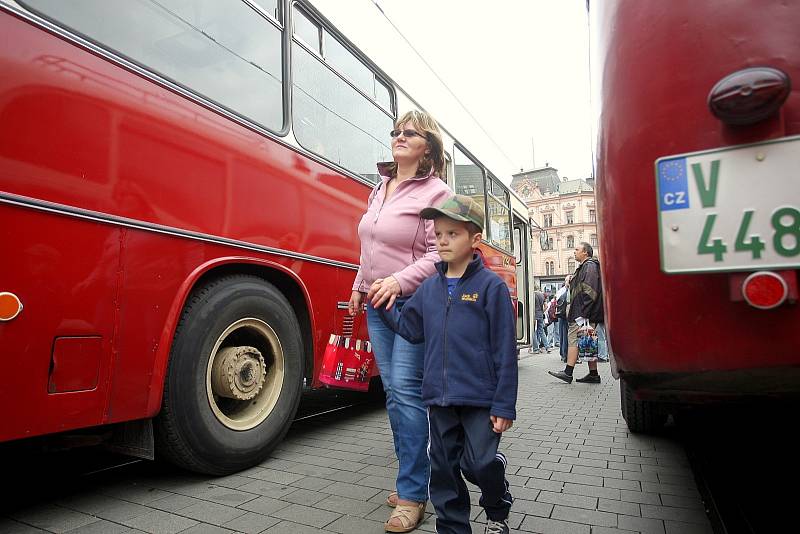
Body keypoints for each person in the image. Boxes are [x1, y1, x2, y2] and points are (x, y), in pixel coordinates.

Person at [374, 194, 517, 534]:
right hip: (439, 399)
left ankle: (496, 506)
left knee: (479, 463)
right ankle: (453, 528)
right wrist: (384, 304)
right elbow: (410, 329)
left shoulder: (491, 288)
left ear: (475, 239)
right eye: (438, 234)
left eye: (453, 234)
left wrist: (504, 404)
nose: (442, 241)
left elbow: (505, 351)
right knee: (443, 469)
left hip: (480, 399)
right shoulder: (429, 288)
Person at [348, 110, 452, 532]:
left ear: (427, 146)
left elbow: (439, 253)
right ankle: (414, 476)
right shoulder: (381, 186)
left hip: (412, 306)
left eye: (410, 132)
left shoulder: (437, 192)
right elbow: (369, 244)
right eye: (396, 131)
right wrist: (360, 283)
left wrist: (396, 279)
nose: (400, 136)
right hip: (378, 303)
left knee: (407, 394)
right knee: (393, 395)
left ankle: (412, 493)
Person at [549, 243, 604, 384]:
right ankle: (593, 374)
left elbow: (590, 291)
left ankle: (568, 372)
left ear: (585, 253)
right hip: (586, 312)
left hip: (582, 313)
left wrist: (583, 313)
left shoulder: (589, 266)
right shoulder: (588, 266)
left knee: (574, 339)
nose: (574, 252)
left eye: (577, 250)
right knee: (588, 341)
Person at [555, 275, 570, 363]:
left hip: (564, 316)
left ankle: (564, 354)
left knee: (564, 336)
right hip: (564, 316)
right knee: (564, 336)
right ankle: (564, 354)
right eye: (568, 281)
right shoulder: (563, 291)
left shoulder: (565, 291)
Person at [532, 287, 548, 353]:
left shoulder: (532, 294)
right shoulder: (542, 295)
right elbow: (546, 306)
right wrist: (542, 312)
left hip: (534, 315)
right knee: (541, 331)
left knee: (532, 332)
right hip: (540, 315)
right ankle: (547, 346)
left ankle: (536, 349)